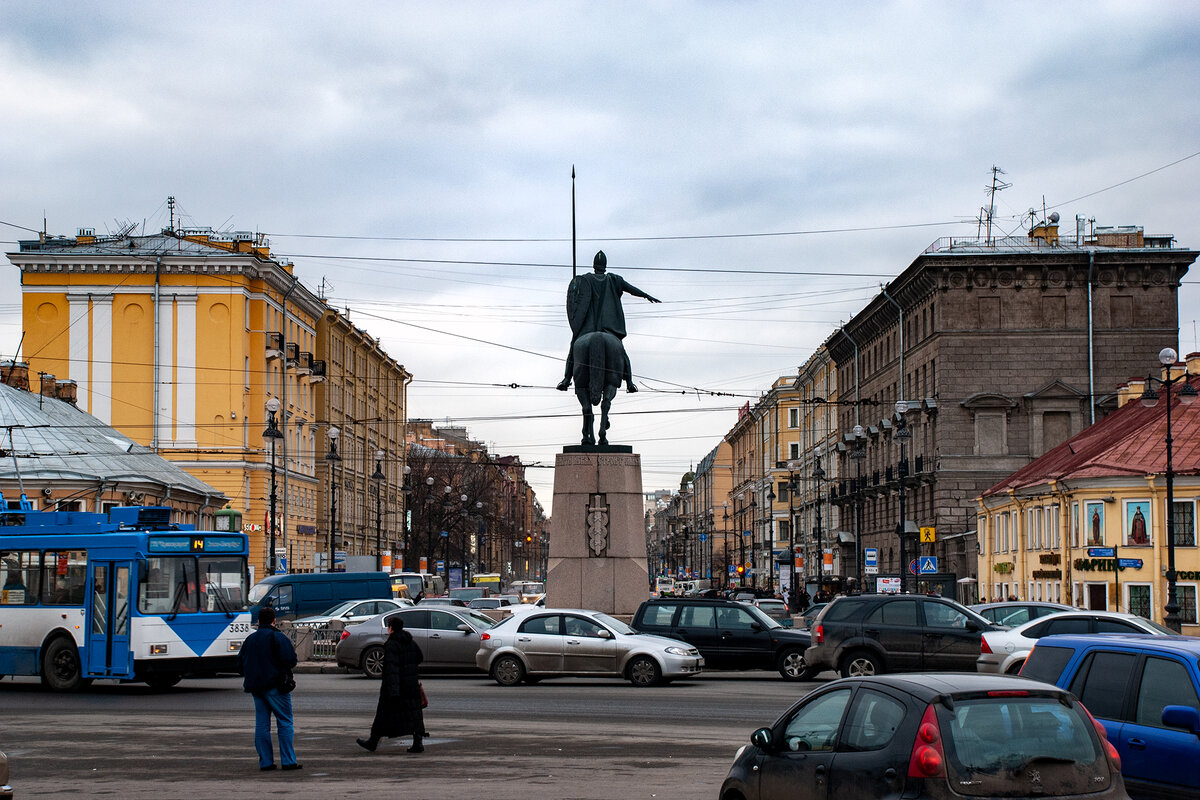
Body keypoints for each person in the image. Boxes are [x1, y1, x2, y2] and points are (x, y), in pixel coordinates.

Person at [556, 250, 661, 392]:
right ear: (605, 266)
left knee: (574, 346)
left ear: (594, 266)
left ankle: (566, 379)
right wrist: (646, 295)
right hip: (608, 327)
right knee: (621, 350)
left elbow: (576, 300)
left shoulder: (585, 279)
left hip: (588, 328)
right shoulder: (614, 279)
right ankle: (629, 382)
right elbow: (631, 289)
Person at [238, 606, 301, 772]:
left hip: (255, 687)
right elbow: (291, 660)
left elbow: (240, 661)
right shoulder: (277, 637)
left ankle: (265, 762)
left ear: (258, 621)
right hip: (276, 687)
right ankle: (288, 761)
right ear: (274, 621)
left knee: (262, 725)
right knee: (285, 722)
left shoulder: (250, 639)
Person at [357, 614, 426, 754]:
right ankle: (418, 742)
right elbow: (419, 657)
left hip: (396, 687)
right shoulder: (410, 642)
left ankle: (373, 742)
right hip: (411, 684)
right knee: (414, 714)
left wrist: (393, 691)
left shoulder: (391, 644)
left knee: (382, 715)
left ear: (391, 628)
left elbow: (392, 669)